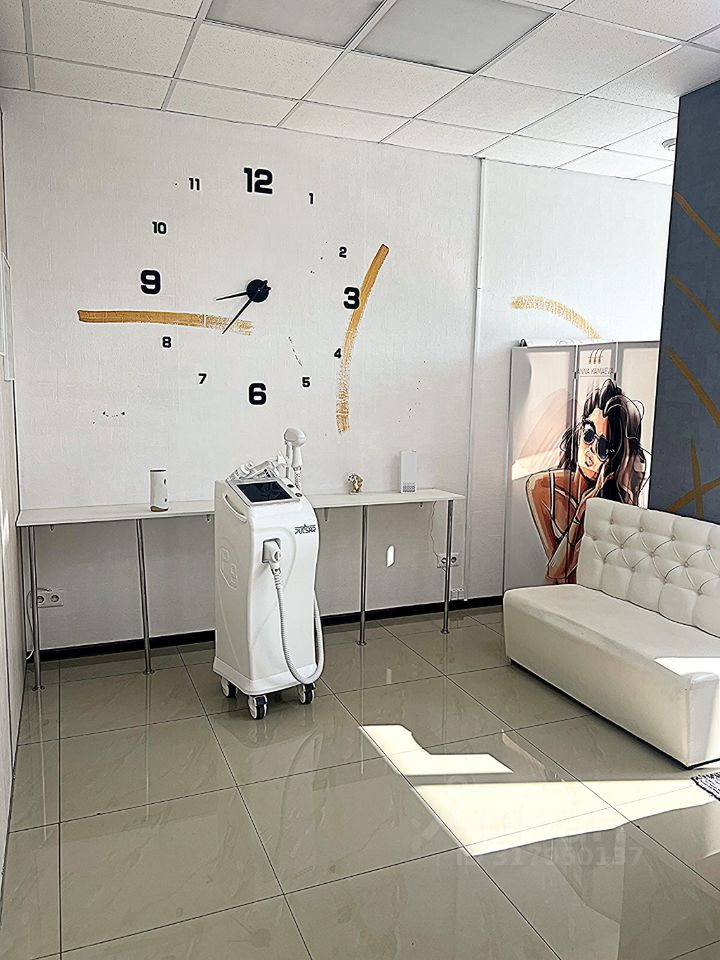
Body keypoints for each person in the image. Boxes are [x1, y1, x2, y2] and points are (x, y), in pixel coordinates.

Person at [526, 379, 647, 583]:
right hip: (561, 588)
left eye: (603, 448)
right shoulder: (542, 487)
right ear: (581, 431)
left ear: (614, 458)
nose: (590, 450)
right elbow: (555, 572)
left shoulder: (608, 502)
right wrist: (581, 510)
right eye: (589, 434)